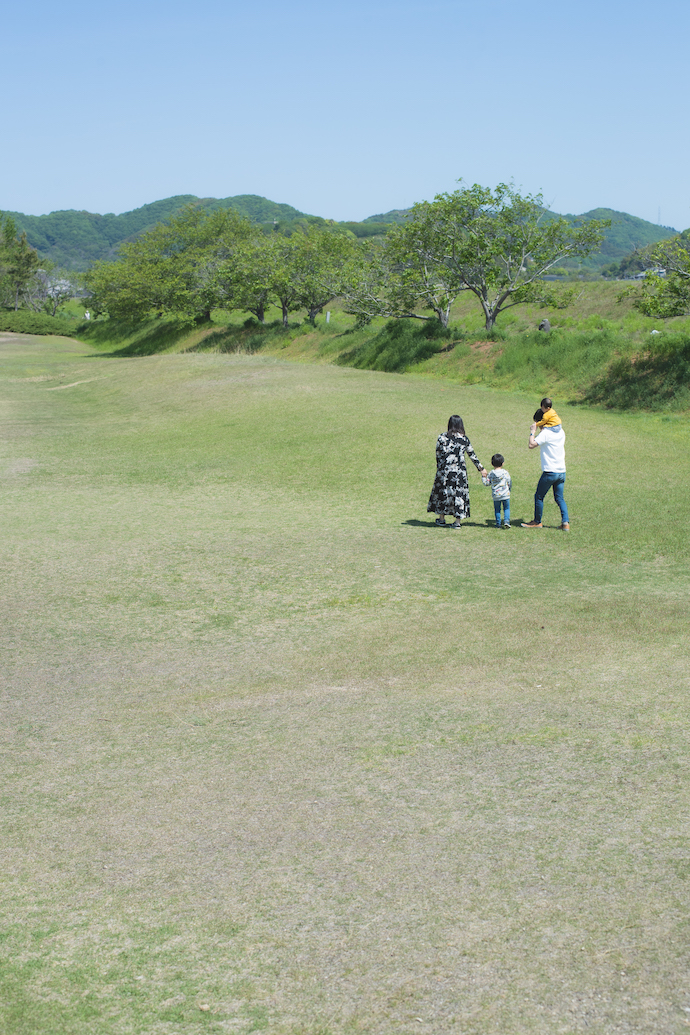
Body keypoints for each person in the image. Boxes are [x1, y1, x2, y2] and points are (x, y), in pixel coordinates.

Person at [427, 415, 487, 528]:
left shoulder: (442, 437)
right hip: (460, 473)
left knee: (443, 493)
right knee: (459, 494)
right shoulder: (464, 439)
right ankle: (457, 522)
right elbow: (472, 455)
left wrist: (440, 468)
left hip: (445, 471)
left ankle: (441, 519)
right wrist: (481, 468)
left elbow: (438, 455)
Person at [521, 398, 569, 530]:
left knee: (539, 496)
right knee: (559, 498)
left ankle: (537, 521)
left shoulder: (546, 434)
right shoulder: (561, 431)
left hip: (550, 471)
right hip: (561, 471)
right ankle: (565, 523)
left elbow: (531, 445)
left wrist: (532, 431)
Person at [482, 453, 512, 528]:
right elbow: (509, 482)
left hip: (496, 496)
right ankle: (506, 521)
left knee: (497, 510)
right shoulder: (505, 473)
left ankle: (498, 523)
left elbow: (486, 483)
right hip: (505, 494)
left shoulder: (491, 474)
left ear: (492, 464)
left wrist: (483, 477)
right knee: (506, 508)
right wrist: (509, 490)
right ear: (503, 463)